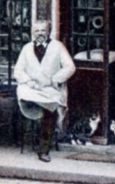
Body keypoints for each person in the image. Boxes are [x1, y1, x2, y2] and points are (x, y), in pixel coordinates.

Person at [14, 20, 75, 162]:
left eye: (43, 30)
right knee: (26, 96)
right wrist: (28, 80)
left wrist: (55, 79)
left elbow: (70, 67)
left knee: (49, 111)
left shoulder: (58, 47)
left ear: (49, 31)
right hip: (32, 89)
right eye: (37, 31)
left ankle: (43, 149)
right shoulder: (27, 48)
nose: (40, 34)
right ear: (32, 33)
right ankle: (37, 124)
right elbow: (18, 70)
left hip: (50, 89)